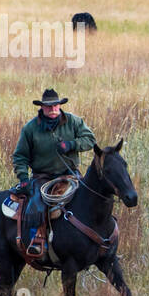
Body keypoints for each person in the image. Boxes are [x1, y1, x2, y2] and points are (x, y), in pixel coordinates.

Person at [10, 89, 97, 257]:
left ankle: (96, 236)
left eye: (56, 105)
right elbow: (20, 156)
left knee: (91, 197)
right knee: (36, 205)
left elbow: (90, 140)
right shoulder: (30, 128)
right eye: (48, 106)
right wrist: (23, 178)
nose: (53, 109)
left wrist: (71, 145)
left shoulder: (73, 121)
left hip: (70, 174)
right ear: (42, 107)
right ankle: (37, 239)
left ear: (60, 105)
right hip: (43, 177)